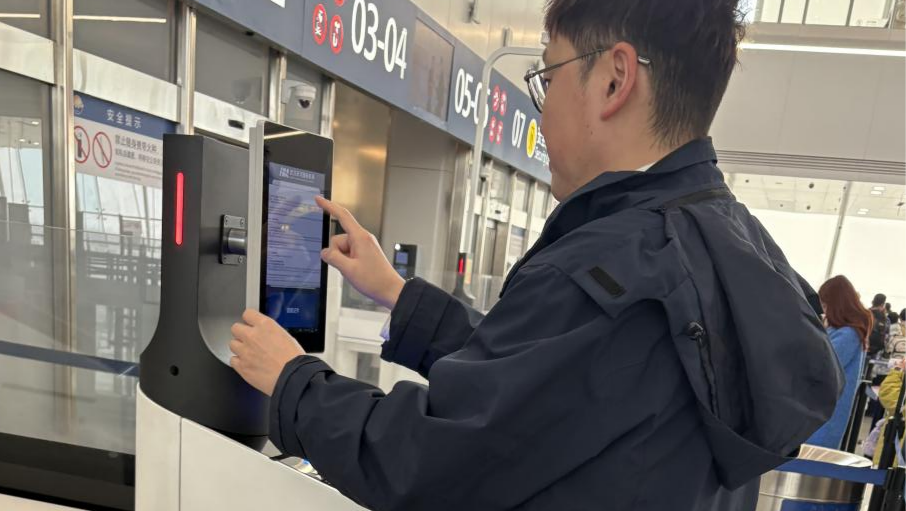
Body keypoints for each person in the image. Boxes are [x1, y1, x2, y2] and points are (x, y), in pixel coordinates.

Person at [227, 1, 844, 509]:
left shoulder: (610, 270)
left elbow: (427, 464)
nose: (541, 115)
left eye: (548, 78)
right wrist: (397, 293)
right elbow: (542, 388)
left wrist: (293, 381)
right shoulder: (728, 245)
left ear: (614, 79)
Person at [805, 276, 871, 449]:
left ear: (837, 304)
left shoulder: (847, 334)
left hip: (823, 417)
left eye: (826, 305)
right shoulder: (844, 331)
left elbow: (821, 367)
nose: (824, 310)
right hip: (822, 414)